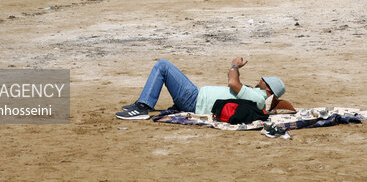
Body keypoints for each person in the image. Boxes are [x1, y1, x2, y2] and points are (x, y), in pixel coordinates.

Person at [115, 57, 286, 120]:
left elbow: (233, 84)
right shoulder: (257, 96)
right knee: (165, 68)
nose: (260, 80)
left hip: (195, 100)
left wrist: (235, 66)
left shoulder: (258, 97)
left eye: (264, 80)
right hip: (196, 99)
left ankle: (143, 107)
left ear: (269, 89)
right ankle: (142, 103)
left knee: (163, 66)